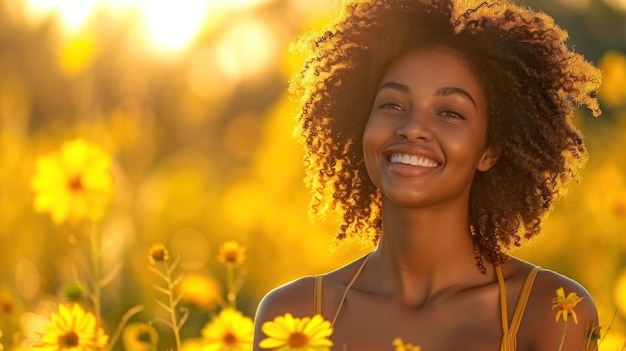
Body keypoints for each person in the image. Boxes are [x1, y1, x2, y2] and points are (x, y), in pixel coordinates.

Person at [253, 0, 602, 350]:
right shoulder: (294, 316)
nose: (412, 128)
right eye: (392, 104)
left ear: (489, 150)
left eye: (450, 112)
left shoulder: (552, 311)